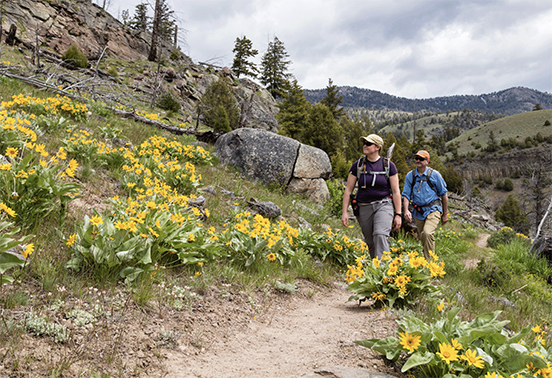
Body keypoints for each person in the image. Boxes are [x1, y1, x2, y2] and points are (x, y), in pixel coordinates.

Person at [342, 134, 402, 259]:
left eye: (368, 143)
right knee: (370, 241)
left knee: (380, 234)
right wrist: (344, 213)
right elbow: (348, 190)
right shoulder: (357, 165)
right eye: (364, 143)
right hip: (363, 207)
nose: (365, 145)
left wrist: (398, 214)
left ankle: (384, 270)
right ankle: (375, 269)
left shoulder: (389, 166)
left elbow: (396, 192)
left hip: (384, 205)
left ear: (377, 147)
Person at [401, 150, 449, 260]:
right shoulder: (410, 176)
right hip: (418, 212)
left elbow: (444, 195)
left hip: (433, 209)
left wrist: (445, 214)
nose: (418, 160)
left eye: (421, 159)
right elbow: (406, 195)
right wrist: (406, 211)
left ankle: (430, 264)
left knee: (427, 233)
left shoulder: (435, 175)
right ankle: (427, 259)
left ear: (427, 161)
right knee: (422, 236)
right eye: (416, 158)